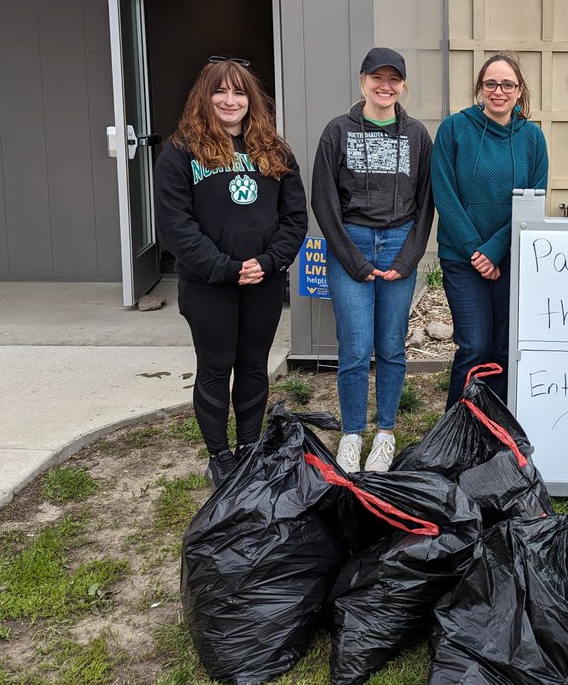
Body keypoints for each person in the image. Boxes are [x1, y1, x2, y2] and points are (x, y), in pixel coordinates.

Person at [154, 57, 307, 487]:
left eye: (239, 92)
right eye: (220, 91)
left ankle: (249, 447)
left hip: (263, 280)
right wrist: (225, 268)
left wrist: (271, 261)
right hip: (208, 285)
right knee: (216, 367)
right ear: (205, 97)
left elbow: (294, 217)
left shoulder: (273, 150)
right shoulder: (181, 152)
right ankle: (219, 455)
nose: (230, 100)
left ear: (250, 100)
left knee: (255, 365)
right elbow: (176, 224)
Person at [312, 47, 434, 474]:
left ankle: (384, 433)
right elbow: (323, 202)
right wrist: (354, 261)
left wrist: (409, 257)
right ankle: (351, 434)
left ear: (403, 85)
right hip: (352, 242)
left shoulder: (417, 135)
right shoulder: (337, 131)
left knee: (391, 347)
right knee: (356, 347)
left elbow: (426, 200)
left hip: (400, 241)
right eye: (376, 78)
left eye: (394, 79)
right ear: (362, 80)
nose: (385, 86)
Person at [432, 52, 548, 408]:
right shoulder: (454, 129)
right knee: (475, 345)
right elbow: (444, 193)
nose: (499, 91)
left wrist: (495, 249)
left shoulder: (532, 139)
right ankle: (457, 427)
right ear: (480, 89)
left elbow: (535, 199)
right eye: (491, 84)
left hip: (511, 257)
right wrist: (475, 251)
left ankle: (495, 426)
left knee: (504, 346)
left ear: (520, 91)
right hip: (462, 257)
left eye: (507, 84)